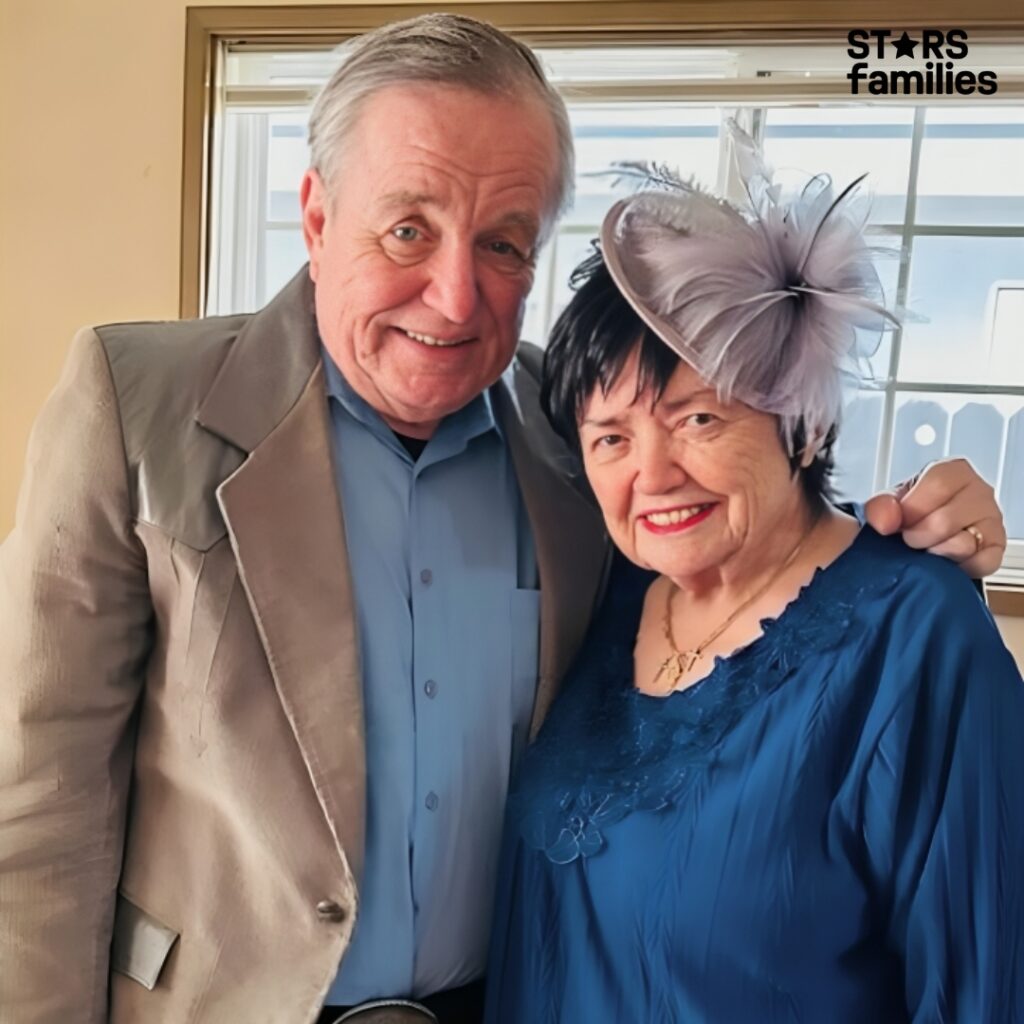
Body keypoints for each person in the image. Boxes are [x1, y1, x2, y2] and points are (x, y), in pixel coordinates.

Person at [0, 15, 1007, 1024]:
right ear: (316, 215)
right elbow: (36, 809)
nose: (452, 296)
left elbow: (743, 512)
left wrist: (911, 523)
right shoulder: (137, 405)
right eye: (408, 229)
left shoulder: (567, 440)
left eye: (501, 243)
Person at [484, 134, 1024, 1022]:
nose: (651, 475)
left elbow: (982, 985)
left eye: (697, 418)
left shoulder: (915, 636)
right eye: (611, 436)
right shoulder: (606, 592)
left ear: (804, 425)